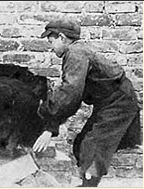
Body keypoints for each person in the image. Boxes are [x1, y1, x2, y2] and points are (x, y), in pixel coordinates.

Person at [32, 18, 142, 187]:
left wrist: (49, 128)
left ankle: (89, 185)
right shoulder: (77, 51)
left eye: (51, 41)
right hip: (110, 101)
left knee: (92, 147)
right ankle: (87, 182)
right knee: (80, 144)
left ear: (62, 37)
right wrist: (51, 126)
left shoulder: (76, 54)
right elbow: (72, 98)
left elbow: (70, 94)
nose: (50, 47)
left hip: (118, 102)